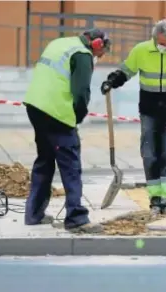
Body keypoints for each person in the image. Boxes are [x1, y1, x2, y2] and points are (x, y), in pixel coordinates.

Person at [101, 19, 166, 216]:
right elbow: (126, 71)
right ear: (155, 38)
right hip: (149, 111)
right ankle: (155, 199)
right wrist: (111, 82)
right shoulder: (141, 51)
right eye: (163, 43)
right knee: (149, 153)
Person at [24, 28, 111, 233]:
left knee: (44, 160)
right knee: (70, 164)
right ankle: (76, 218)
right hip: (56, 113)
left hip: (35, 107)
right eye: (101, 53)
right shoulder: (82, 54)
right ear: (97, 44)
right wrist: (77, 118)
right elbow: (81, 92)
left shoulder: (60, 43)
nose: (99, 57)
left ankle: (33, 214)